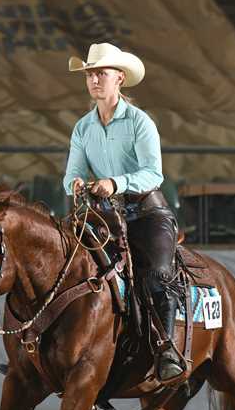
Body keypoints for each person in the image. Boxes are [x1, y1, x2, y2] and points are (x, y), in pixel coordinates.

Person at [63, 42, 184, 381]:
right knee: (64, 266)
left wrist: (115, 183)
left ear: (119, 78)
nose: (94, 80)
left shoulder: (139, 123)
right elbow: (71, 174)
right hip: (105, 218)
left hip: (147, 214)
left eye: (100, 73)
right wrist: (75, 184)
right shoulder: (83, 128)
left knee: (157, 273)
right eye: (90, 74)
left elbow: (153, 174)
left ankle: (166, 347)